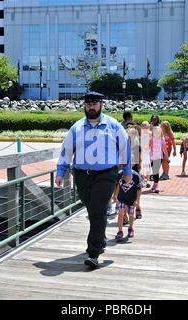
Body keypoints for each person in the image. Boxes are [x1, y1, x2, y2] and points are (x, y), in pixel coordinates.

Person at [56, 91, 132, 269]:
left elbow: (126, 149)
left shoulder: (113, 126)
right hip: (82, 175)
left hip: (106, 174)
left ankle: (93, 253)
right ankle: (101, 238)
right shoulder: (77, 128)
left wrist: (127, 171)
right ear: (84, 105)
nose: (91, 106)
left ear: (101, 105)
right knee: (94, 211)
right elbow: (66, 150)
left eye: (95, 103)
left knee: (97, 211)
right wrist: (61, 171)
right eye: (88, 103)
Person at [112, 168, 143, 240]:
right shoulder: (120, 174)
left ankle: (130, 228)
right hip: (121, 198)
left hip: (131, 199)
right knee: (120, 214)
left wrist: (137, 201)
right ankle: (120, 231)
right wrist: (115, 195)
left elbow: (139, 189)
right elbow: (118, 186)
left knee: (131, 215)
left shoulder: (135, 175)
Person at [149, 125, 167, 193]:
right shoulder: (151, 139)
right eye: (155, 131)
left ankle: (156, 185)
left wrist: (167, 157)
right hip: (152, 157)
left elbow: (164, 148)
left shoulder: (162, 139)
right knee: (154, 171)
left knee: (156, 170)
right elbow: (148, 147)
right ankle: (155, 183)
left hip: (159, 157)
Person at [140, 121, 152, 189]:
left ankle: (145, 180)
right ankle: (146, 180)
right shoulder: (149, 133)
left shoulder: (142, 134)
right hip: (145, 151)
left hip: (145, 151)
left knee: (144, 165)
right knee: (146, 165)